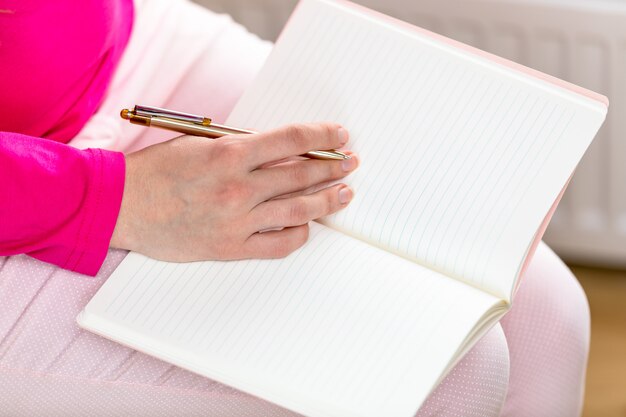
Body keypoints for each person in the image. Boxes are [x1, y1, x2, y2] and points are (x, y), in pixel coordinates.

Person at [0, 0, 590, 416]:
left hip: (126, 45)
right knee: (447, 375)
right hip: (31, 194)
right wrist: (113, 198)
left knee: (546, 313)